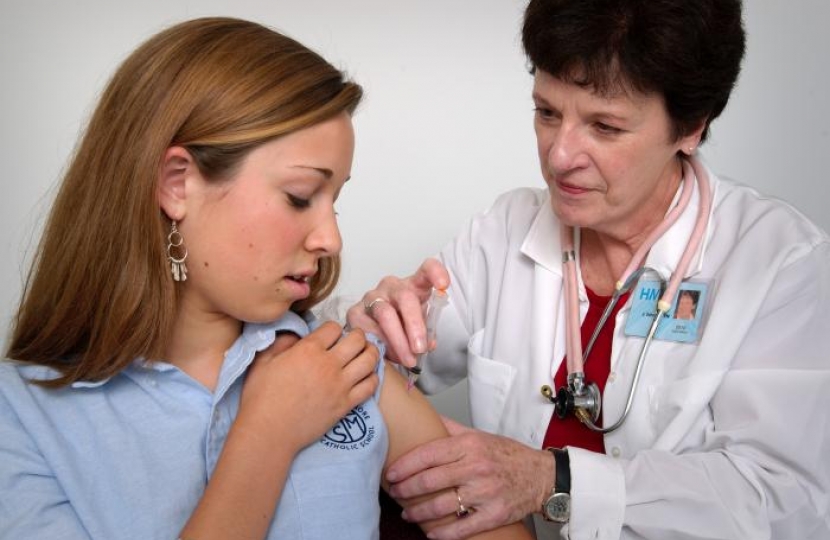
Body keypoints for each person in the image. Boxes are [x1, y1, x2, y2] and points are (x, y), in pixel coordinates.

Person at [0, 17, 533, 540]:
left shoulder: (345, 364)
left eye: (335, 203)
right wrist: (267, 434)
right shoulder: (20, 416)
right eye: (300, 196)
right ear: (176, 184)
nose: (330, 239)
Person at [347, 1, 830, 539]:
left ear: (690, 127)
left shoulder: (776, 259)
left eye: (604, 126)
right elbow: (387, 372)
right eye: (547, 112)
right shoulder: (507, 229)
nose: (559, 155)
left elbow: (783, 500)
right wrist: (378, 327)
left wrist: (552, 479)